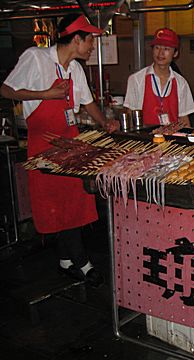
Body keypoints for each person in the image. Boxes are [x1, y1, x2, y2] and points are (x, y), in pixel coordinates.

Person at [0, 13, 119, 287]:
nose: (92, 47)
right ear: (76, 38)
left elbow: (87, 102)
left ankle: (66, 262)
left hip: (70, 140)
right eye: (89, 40)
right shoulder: (36, 58)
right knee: (56, 203)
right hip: (44, 143)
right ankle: (83, 262)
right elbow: (6, 91)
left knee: (74, 202)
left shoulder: (75, 69)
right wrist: (45, 95)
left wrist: (105, 122)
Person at [124, 28, 194, 128]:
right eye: (157, 47)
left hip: (172, 140)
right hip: (145, 140)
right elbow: (130, 115)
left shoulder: (181, 83)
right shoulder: (136, 80)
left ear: (175, 53)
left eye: (166, 49)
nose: (160, 53)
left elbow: (184, 119)